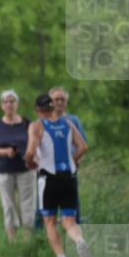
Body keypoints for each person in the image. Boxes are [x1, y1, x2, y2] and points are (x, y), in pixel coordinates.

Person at [24, 94, 92, 257]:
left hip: (48, 178)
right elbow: (83, 146)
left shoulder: (37, 125)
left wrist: (29, 161)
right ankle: (80, 241)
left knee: (50, 221)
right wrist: (73, 161)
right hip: (68, 177)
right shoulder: (67, 123)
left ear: (38, 110)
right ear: (53, 107)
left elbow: (31, 150)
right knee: (69, 221)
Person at [0, 90, 35, 241]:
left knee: (27, 203)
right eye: (6, 102)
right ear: (2, 106)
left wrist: (31, 153)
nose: (9, 104)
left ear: (17, 104)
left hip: (25, 168)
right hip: (4, 169)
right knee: (9, 204)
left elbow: (35, 141)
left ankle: (28, 238)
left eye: (12, 101)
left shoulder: (26, 123)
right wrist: (6, 151)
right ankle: (12, 240)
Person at [49, 86, 88, 225]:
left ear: (66, 102)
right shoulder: (45, 121)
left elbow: (83, 145)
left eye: (62, 99)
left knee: (72, 203)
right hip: (49, 169)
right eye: (56, 99)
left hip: (69, 169)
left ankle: (75, 229)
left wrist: (76, 160)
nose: (59, 102)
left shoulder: (73, 120)